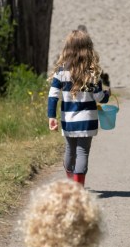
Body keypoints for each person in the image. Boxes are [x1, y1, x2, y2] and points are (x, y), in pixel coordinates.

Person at [47, 26, 110, 187]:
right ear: (88, 49)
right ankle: (78, 187)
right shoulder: (92, 72)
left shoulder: (61, 72)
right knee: (82, 153)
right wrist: (107, 95)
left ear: (67, 49)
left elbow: (53, 95)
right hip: (88, 120)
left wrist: (51, 116)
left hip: (69, 120)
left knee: (70, 150)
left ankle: (71, 184)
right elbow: (99, 97)